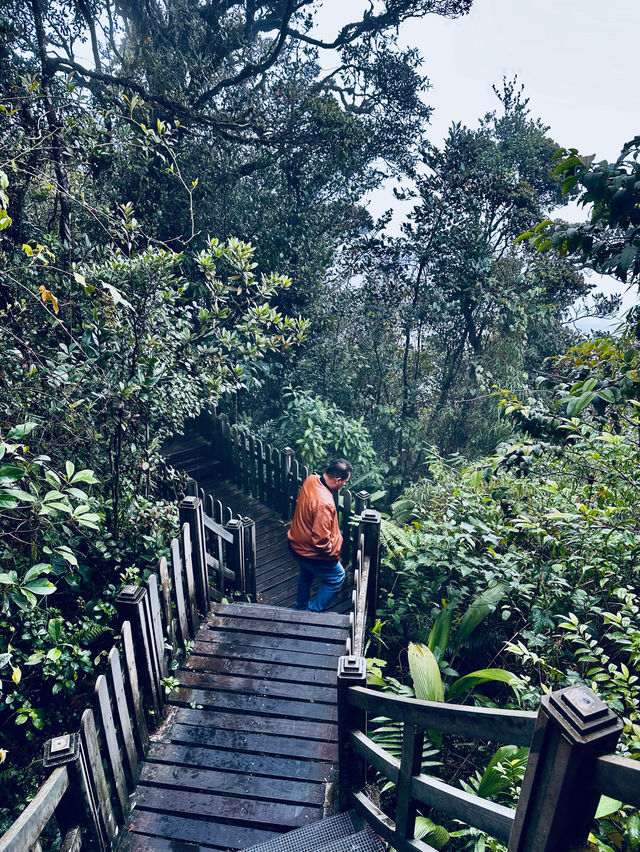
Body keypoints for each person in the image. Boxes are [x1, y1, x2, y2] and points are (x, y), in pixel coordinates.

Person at [287, 458, 353, 612]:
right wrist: (334, 552)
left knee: (306, 573)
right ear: (338, 480)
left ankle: (301, 607)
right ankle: (312, 613)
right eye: (345, 482)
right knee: (337, 576)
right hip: (308, 551)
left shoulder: (311, 479)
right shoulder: (325, 503)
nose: (344, 485)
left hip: (295, 543)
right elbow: (321, 543)